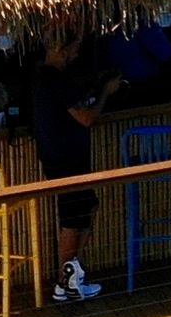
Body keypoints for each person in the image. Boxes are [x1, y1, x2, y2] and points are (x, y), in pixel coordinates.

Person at [29, 28, 120, 300]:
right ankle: (64, 280)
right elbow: (86, 118)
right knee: (73, 216)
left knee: (84, 209)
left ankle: (71, 275)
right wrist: (106, 92)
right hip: (65, 156)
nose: (78, 52)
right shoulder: (55, 79)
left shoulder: (42, 77)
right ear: (60, 48)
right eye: (74, 47)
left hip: (59, 154)